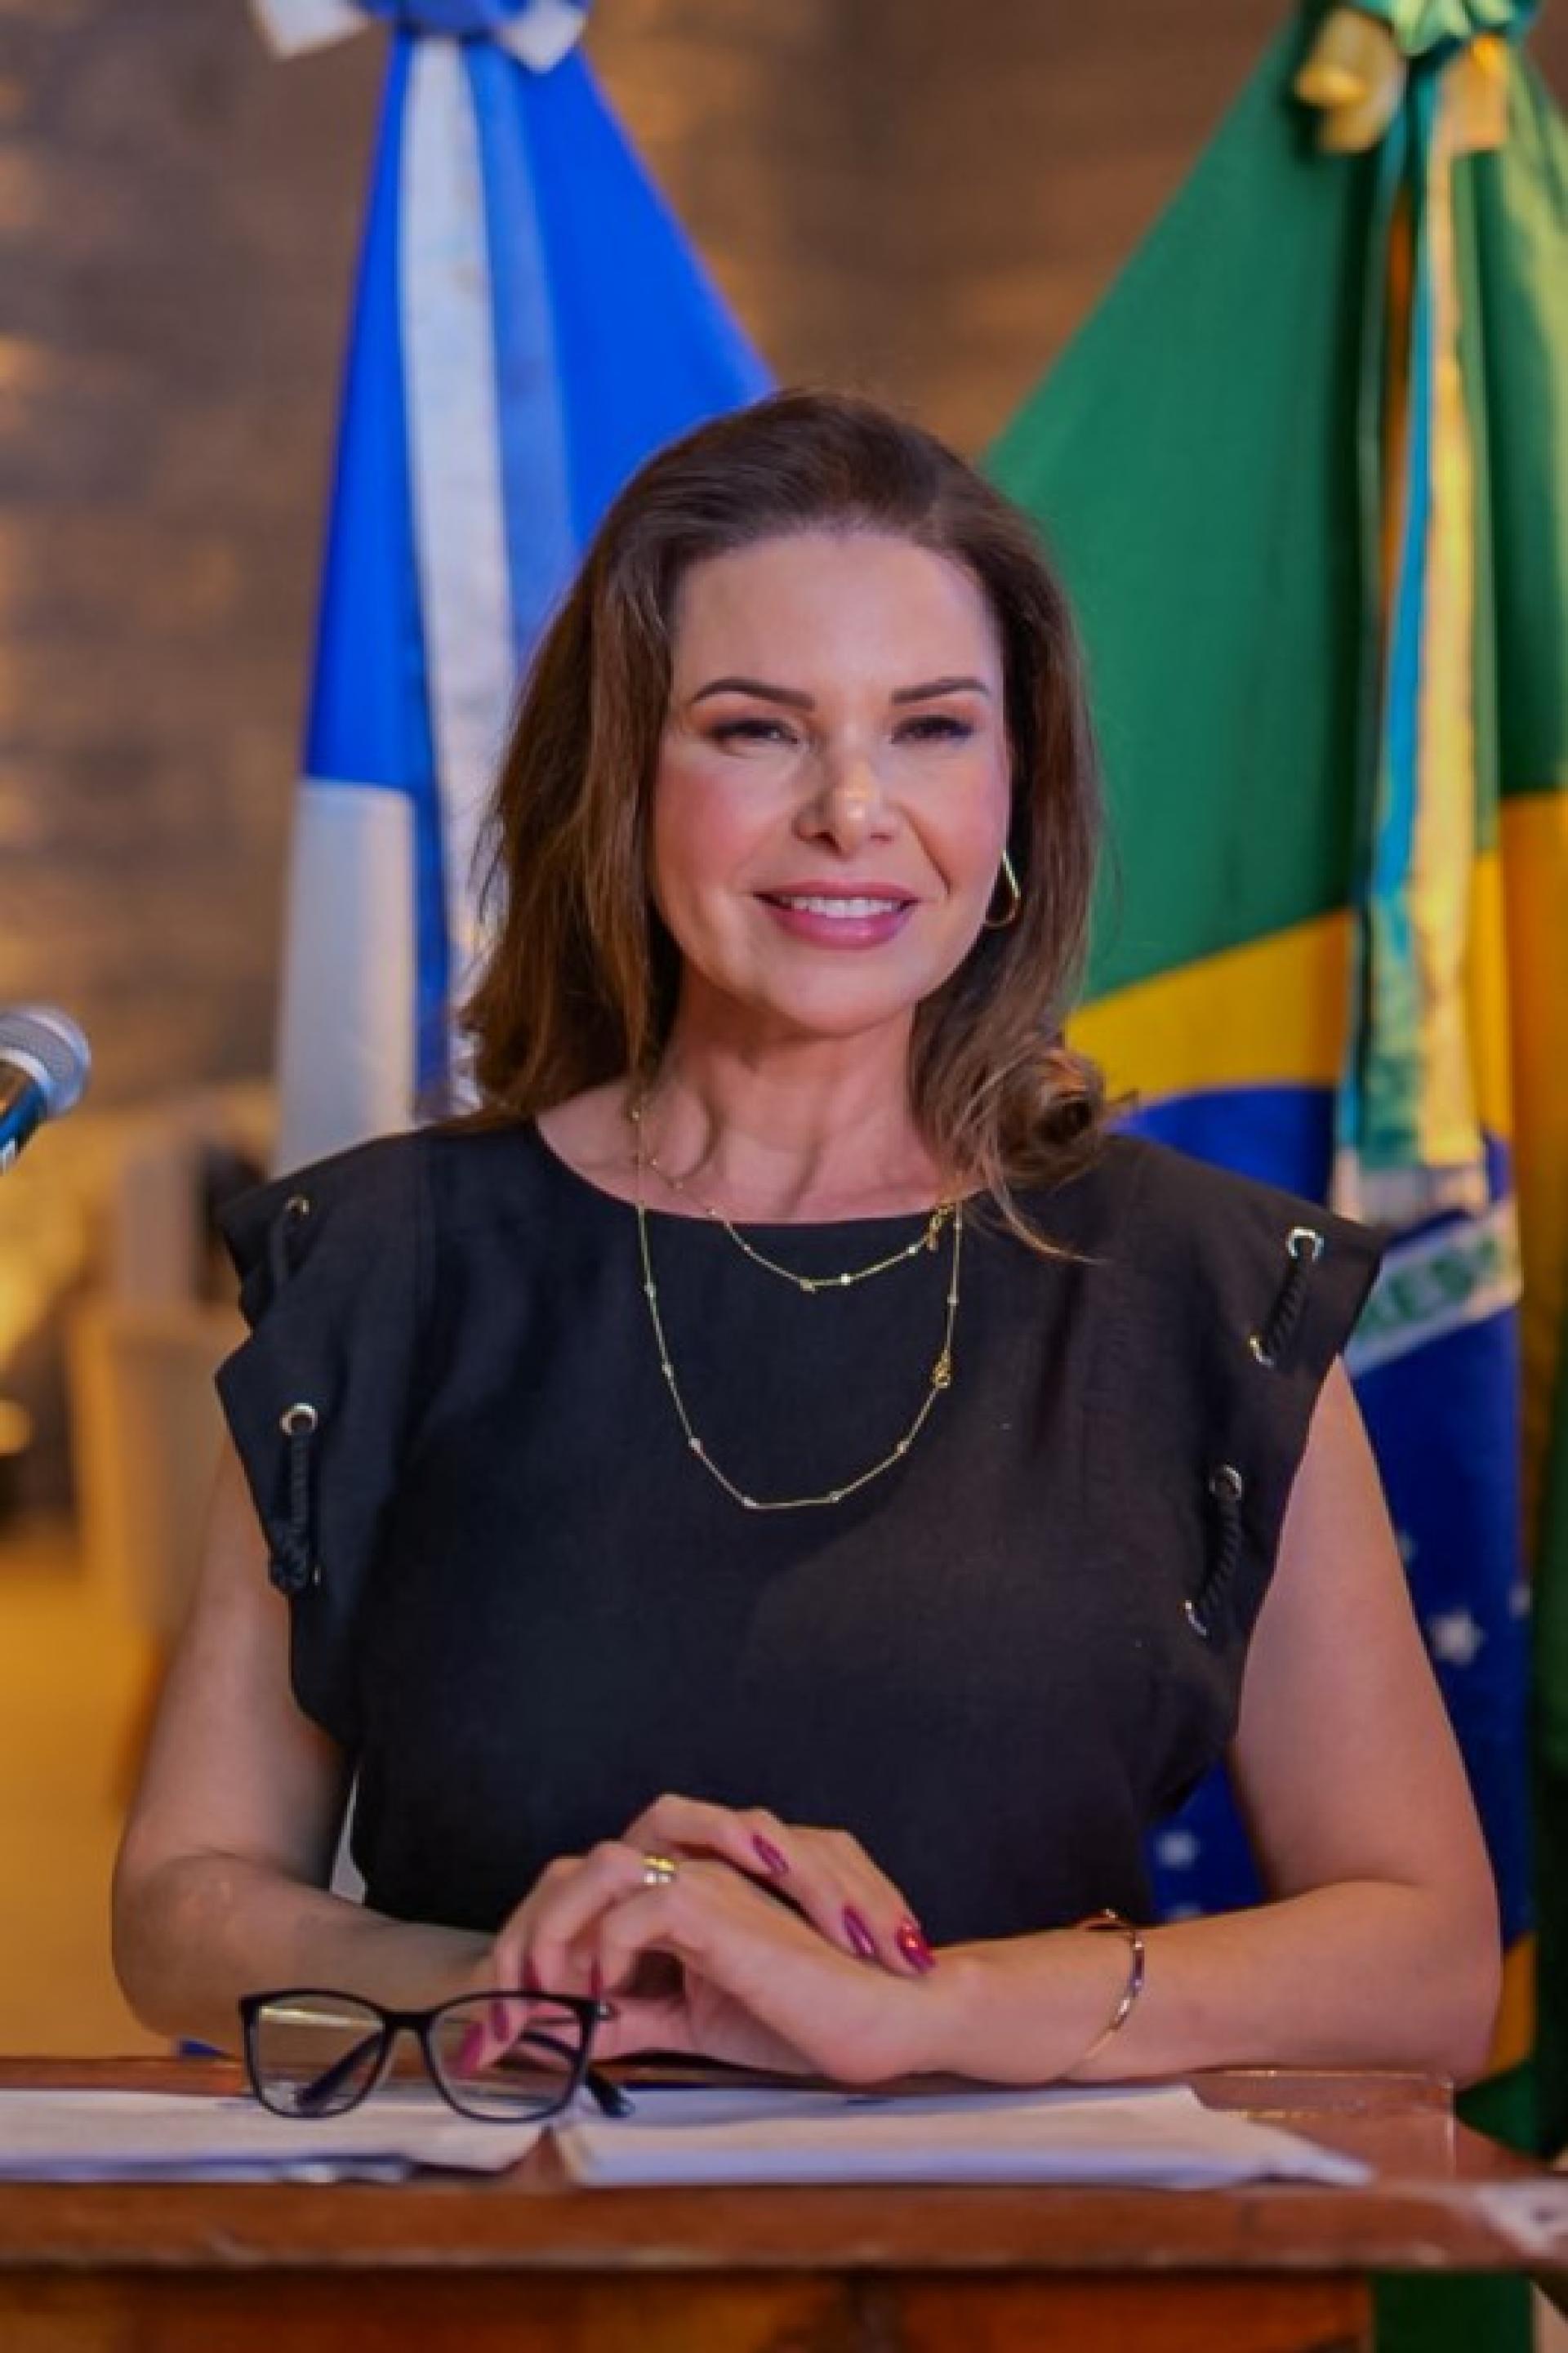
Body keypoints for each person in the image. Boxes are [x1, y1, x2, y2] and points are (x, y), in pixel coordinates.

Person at [113, 388, 1499, 2089]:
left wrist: (924, 2009)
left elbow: (1430, 1964)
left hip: (1041, 2246)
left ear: (1016, 795)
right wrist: (523, 1977)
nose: (854, 808)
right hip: (494, 2214)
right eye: (756, 729)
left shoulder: (1207, 1292)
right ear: (619, 784)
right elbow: (180, 1904)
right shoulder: (383, 1264)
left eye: (932, 729)